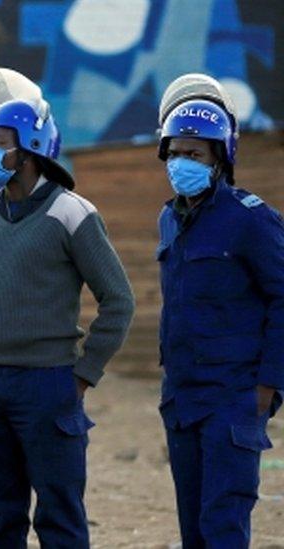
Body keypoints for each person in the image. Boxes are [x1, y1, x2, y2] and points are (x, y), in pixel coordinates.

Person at [0, 72, 134, 548]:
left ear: (32, 147)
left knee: (59, 518)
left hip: (47, 384)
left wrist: (82, 375)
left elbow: (118, 300)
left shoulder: (72, 214)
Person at [155, 88, 284, 547]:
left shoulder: (252, 220)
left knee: (222, 526)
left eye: (194, 153)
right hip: (182, 399)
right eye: (174, 152)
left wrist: (268, 385)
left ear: (219, 158)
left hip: (233, 398)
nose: (180, 162)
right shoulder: (169, 219)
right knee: (193, 529)